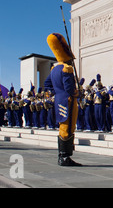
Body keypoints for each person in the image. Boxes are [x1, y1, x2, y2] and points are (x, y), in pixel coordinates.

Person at [46, 33, 81, 166]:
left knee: (62, 126)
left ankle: (62, 155)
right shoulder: (67, 68)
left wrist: (57, 92)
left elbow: (47, 83)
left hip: (59, 100)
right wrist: (77, 93)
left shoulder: (54, 69)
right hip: (68, 101)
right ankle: (65, 157)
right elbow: (70, 89)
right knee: (69, 126)